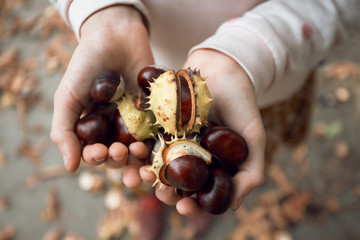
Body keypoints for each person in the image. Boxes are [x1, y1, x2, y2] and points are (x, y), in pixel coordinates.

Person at [49, 0, 359, 216]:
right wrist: (106, 14)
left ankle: (180, 196)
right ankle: (153, 197)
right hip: (148, 46)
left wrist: (246, 53)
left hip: (265, 80)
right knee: (140, 164)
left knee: (226, 163)